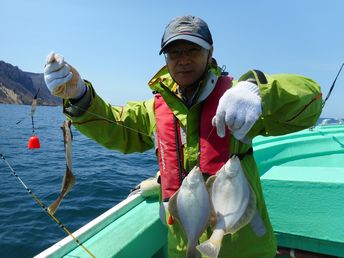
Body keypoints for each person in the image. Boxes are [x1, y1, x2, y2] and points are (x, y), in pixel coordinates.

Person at [44, 15, 322, 258]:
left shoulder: (239, 100)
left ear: (210, 52)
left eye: (193, 49)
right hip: (182, 248)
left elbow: (311, 100)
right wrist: (79, 96)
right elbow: (116, 127)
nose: (184, 59)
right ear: (165, 58)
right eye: (174, 53)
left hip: (244, 249)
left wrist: (261, 93)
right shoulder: (154, 109)